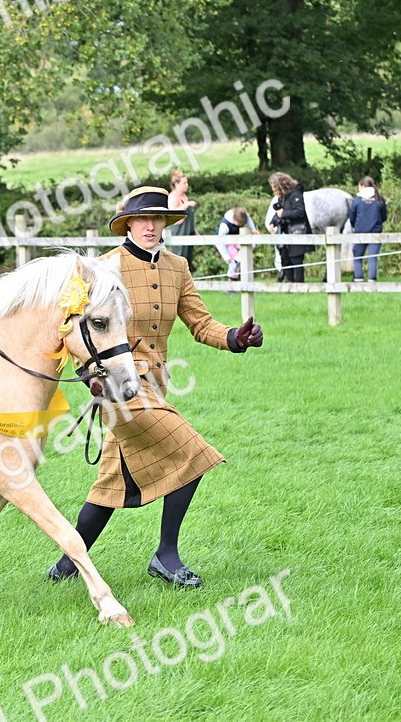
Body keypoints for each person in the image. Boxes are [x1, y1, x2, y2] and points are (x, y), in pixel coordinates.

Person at [47, 187, 264, 588]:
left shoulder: (177, 267)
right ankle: (166, 556)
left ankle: (66, 563)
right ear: (128, 223)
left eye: (157, 218)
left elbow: (201, 323)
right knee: (193, 453)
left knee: (112, 483)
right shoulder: (101, 269)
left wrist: (235, 337)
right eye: (142, 219)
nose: (150, 226)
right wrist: (89, 375)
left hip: (156, 386)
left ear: (165, 223)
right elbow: (72, 330)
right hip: (117, 388)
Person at [268, 171, 314, 283]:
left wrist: (283, 214)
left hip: (297, 231)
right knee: (285, 258)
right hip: (284, 232)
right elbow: (278, 211)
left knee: (296, 259)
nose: (273, 190)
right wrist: (273, 222)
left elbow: (300, 212)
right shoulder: (282, 197)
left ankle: (299, 284)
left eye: (274, 187)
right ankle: (289, 283)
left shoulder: (296, 194)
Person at [349, 176, 388, 282]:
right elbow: (384, 216)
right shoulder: (379, 199)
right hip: (375, 232)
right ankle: (372, 279)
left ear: (362, 186)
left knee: (357, 256)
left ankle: (358, 278)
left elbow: (352, 217)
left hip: (360, 232)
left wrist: (355, 226)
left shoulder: (357, 201)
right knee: (372, 257)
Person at [164, 170, 198, 272]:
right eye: (184, 183)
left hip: (188, 231)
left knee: (188, 260)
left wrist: (196, 232)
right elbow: (172, 212)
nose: (187, 185)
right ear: (176, 184)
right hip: (178, 231)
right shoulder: (172, 197)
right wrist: (187, 205)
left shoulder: (184, 197)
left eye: (187, 182)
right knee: (178, 259)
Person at [215, 207, 257, 280]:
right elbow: (219, 242)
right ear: (234, 219)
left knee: (250, 246)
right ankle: (232, 279)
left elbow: (249, 222)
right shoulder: (225, 226)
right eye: (239, 224)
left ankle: (237, 262)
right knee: (232, 263)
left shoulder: (245, 216)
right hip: (227, 243)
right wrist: (226, 257)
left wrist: (253, 229)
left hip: (238, 241)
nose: (240, 225)